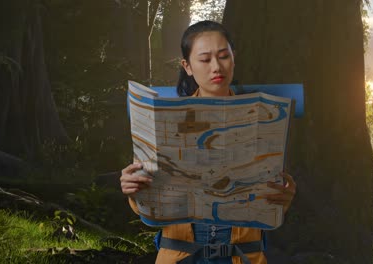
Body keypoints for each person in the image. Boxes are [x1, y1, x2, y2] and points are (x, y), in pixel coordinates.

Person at [120, 20, 296, 264]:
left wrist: (284, 197)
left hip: (244, 256)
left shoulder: (263, 117)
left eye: (224, 56)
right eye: (204, 60)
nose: (216, 67)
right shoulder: (164, 120)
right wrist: (133, 188)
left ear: (234, 58)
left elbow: (269, 199)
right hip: (180, 256)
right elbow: (147, 206)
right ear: (188, 66)